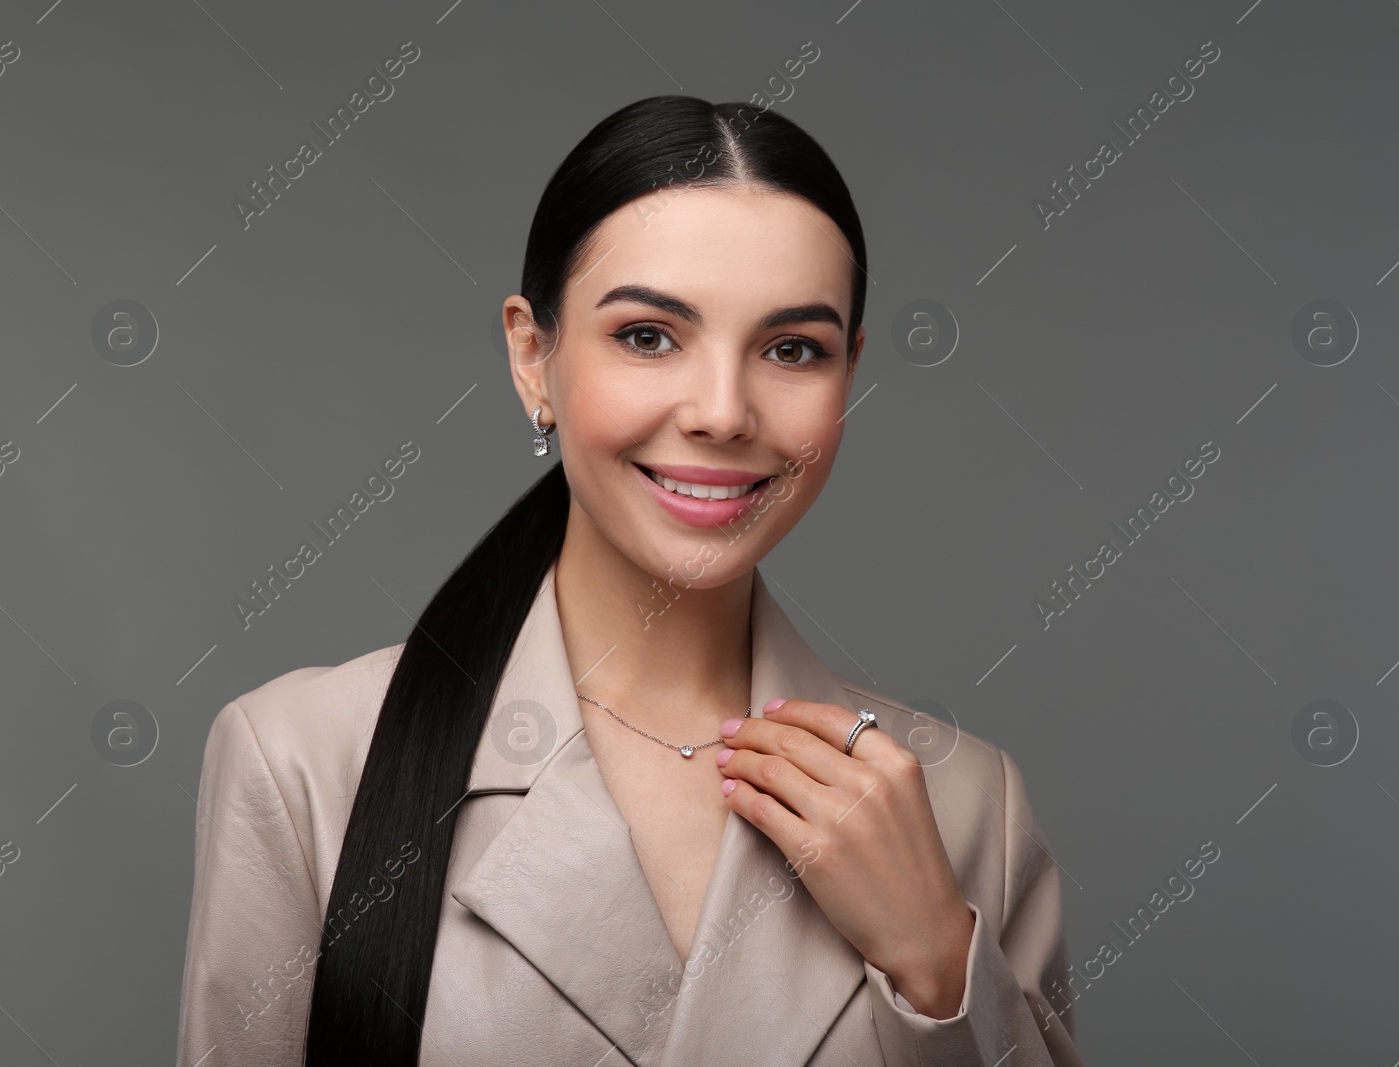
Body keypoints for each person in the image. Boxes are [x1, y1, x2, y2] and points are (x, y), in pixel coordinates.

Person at [176, 94, 1085, 1067]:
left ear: (848, 375)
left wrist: (938, 964)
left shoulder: (963, 801)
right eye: (649, 335)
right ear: (533, 355)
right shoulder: (306, 761)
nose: (723, 412)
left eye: (791, 349)